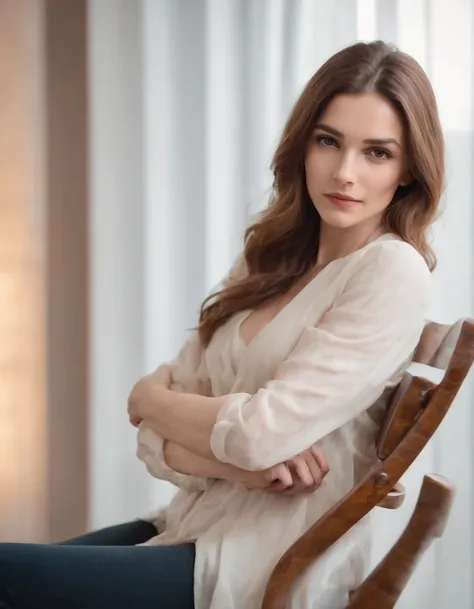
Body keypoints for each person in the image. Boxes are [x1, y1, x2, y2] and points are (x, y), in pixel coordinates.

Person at [0, 39, 444, 609]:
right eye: (328, 141)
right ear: (303, 144)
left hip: (259, 565)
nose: (344, 172)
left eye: (377, 153)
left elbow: (256, 433)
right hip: (192, 525)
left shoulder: (391, 270)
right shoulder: (273, 257)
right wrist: (235, 465)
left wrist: (148, 397)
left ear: (408, 170)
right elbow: (160, 444)